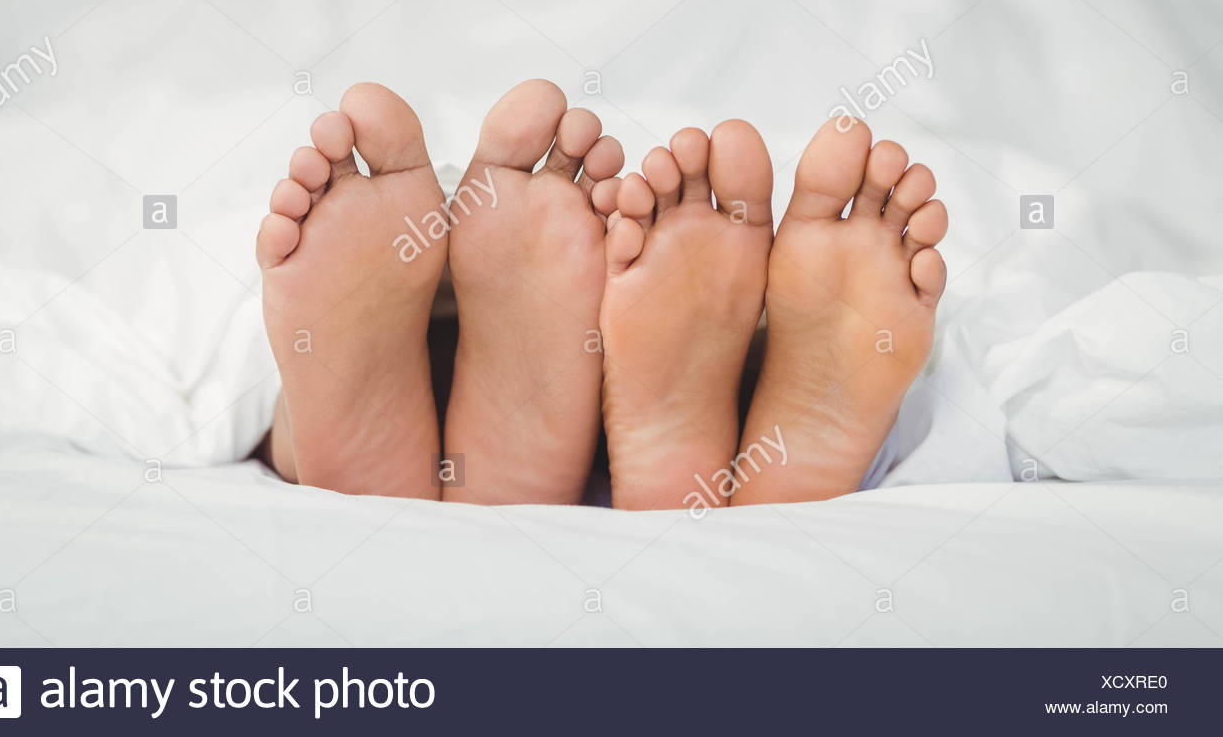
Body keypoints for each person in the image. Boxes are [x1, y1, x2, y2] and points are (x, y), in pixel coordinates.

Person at [253, 79, 948, 512]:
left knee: (254, 376)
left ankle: (316, 444)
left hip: (471, 315)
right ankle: (766, 440)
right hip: (561, 315)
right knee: (642, 306)